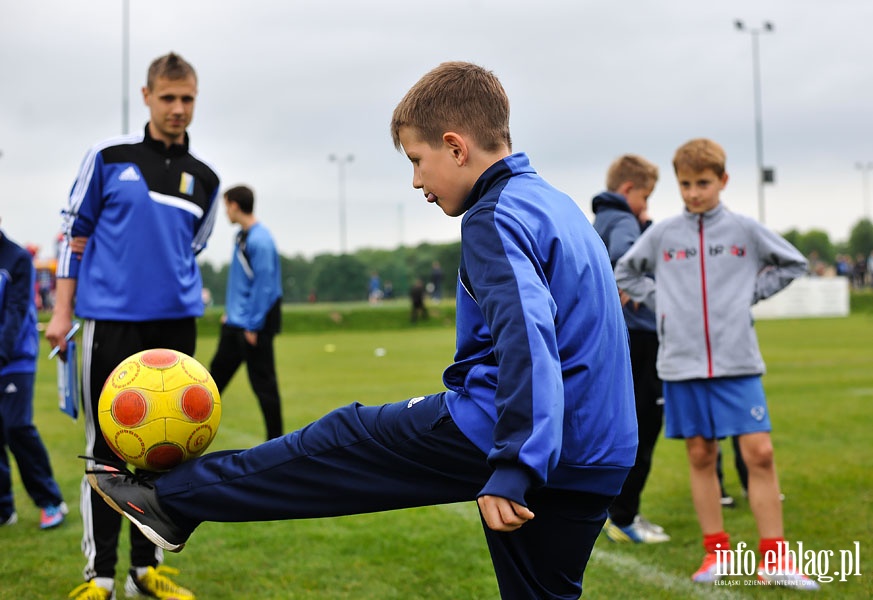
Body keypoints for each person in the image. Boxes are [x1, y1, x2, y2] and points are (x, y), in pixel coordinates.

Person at [86, 61, 638, 600]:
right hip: (600, 455)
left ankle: (171, 500)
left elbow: (526, 339)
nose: (418, 181)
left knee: (342, 438)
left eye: (418, 161)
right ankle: (177, 502)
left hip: (515, 435)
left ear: (456, 146)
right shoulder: (557, 206)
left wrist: (518, 461)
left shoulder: (494, 216)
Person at [46, 52, 220, 600]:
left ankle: (145, 574)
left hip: (176, 326)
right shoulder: (107, 157)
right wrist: (61, 311)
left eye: (187, 99)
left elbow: (189, 251)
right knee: (108, 448)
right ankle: (100, 577)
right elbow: (74, 235)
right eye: (167, 98)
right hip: (111, 324)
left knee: (166, 449)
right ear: (146, 97)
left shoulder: (207, 181)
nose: (177, 109)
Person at [614, 138, 817, 589]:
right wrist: (660, 301)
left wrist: (750, 294)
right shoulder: (664, 234)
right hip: (682, 365)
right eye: (685, 184)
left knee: (759, 454)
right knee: (701, 454)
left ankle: (775, 558)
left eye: (703, 183)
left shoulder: (744, 230)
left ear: (722, 181)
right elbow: (625, 272)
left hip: (738, 362)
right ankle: (716, 553)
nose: (693, 193)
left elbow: (793, 263)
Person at [591, 154, 670, 544]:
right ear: (627, 190)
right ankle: (624, 517)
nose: (646, 207)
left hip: (619, 339)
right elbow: (625, 259)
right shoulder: (623, 220)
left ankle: (617, 512)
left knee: (625, 425)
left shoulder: (601, 218)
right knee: (644, 426)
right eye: (646, 197)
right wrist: (635, 285)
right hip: (639, 338)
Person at [0, 220, 67, 530]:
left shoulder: (17, 258)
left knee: (16, 427)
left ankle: (51, 501)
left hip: (15, 357)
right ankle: (4, 509)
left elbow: (15, 310)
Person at [209, 185, 283, 441]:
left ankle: (277, 443)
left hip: (251, 327)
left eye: (225, 206)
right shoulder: (241, 236)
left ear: (234, 205)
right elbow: (242, 282)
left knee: (265, 387)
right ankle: (182, 435)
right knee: (210, 384)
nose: (225, 212)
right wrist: (230, 313)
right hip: (235, 323)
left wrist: (253, 325)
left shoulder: (260, 239)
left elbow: (266, 286)